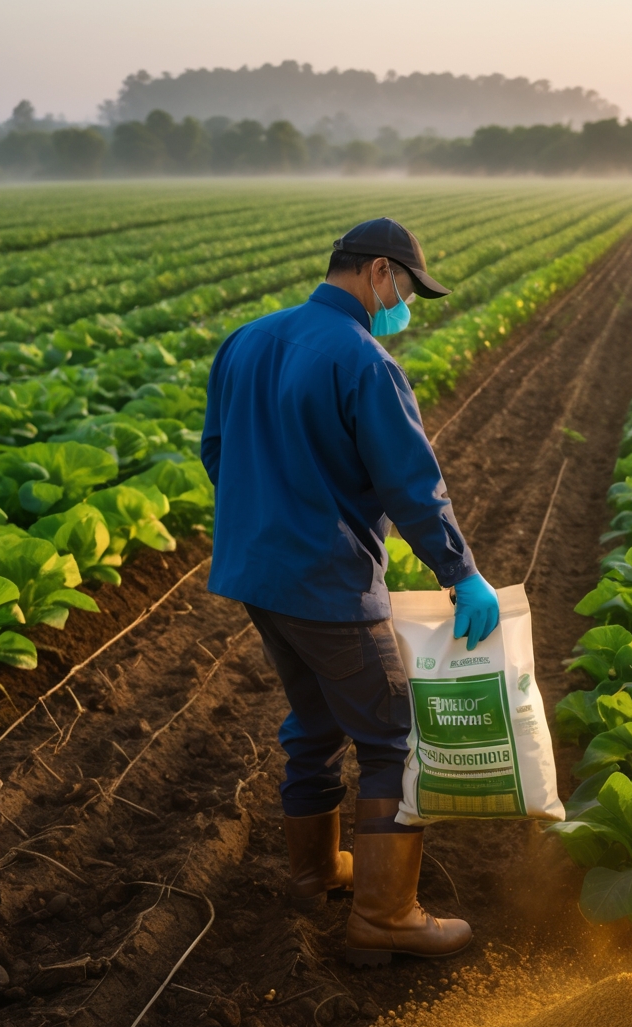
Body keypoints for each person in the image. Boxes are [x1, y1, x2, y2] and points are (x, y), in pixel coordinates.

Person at [200, 217, 495, 965]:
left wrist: (268, 516)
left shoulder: (245, 340)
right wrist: (461, 574)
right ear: (379, 273)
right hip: (326, 582)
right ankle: (385, 917)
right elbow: (411, 487)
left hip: (257, 576)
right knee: (396, 735)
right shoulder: (363, 361)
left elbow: (217, 452)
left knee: (317, 719)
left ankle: (314, 873)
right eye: (408, 290)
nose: (405, 306)